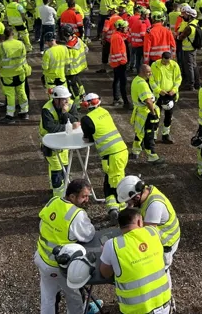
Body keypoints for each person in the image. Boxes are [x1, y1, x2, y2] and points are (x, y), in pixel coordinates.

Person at [34, 179, 96, 314]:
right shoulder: (76, 214)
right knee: (74, 297)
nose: (86, 200)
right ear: (72, 196)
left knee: (47, 297)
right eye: (83, 196)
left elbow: (42, 223)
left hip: (42, 257)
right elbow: (89, 235)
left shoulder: (53, 201)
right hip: (60, 265)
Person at [99, 208, 173, 314]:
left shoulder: (112, 245)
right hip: (165, 304)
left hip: (136, 311)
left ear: (120, 226)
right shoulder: (153, 231)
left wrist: (106, 253)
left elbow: (105, 273)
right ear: (139, 221)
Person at [79, 92, 129, 222]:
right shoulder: (105, 111)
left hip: (112, 156)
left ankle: (119, 212)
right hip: (122, 151)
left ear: (85, 104)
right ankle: (115, 209)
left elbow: (87, 138)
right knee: (112, 183)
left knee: (114, 186)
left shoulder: (86, 119)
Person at [116, 176, 181, 270]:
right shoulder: (148, 191)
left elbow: (147, 236)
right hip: (162, 237)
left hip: (166, 242)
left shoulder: (154, 206)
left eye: (128, 201)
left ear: (137, 197)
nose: (128, 204)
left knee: (161, 270)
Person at [40, 86, 79, 197]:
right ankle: (58, 197)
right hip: (49, 142)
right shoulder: (47, 109)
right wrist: (69, 127)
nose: (66, 101)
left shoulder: (70, 104)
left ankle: (54, 188)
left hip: (64, 142)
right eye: (63, 99)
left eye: (67, 98)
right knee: (57, 168)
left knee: (64, 167)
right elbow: (50, 127)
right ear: (56, 100)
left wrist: (65, 112)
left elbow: (75, 120)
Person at [0, 26, 29, 124]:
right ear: (13, 34)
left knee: (10, 95)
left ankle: (10, 115)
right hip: (20, 72)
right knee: (21, 92)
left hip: (7, 74)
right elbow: (24, 56)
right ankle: (24, 112)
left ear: (5, 35)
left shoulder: (1, 46)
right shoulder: (20, 44)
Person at [130, 64, 166, 165]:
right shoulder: (142, 84)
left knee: (139, 132)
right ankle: (152, 157)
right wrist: (153, 113)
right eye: (148, 72)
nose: (150, 73)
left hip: (140, 113)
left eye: (150, 71)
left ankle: (135, 151)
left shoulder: (136, 80)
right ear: (141, 72)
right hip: (146, 113)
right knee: (149, 134)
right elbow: (148, 101)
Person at [150, 51, 182, 144]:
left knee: (169, 116)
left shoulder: (175, 65)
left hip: (171, 95)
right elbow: (151, 81)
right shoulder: (155, 65)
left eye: (168, 61)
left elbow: (178, 79)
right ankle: (154, 136)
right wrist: (158, 90)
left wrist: (174, 90)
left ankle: (165, 135)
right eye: (164, 61)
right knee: (156, 116)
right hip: (159, 95)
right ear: (161, 58)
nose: (166, 63)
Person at [109, 20, 130, 107]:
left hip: (117, 63)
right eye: (125, 27)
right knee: (122, 82)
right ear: (121, 28)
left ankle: (117, 98)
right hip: (120, 64)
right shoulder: (117, 37)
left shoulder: (116, 36)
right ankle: (125, 102)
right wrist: (123, 63)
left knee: (117, 81)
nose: (127, 28)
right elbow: (118, 53)